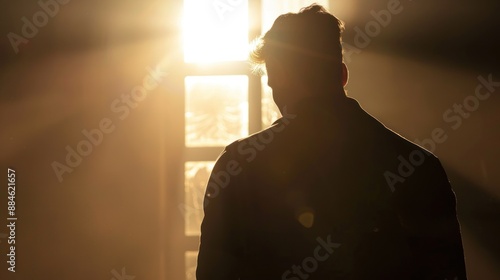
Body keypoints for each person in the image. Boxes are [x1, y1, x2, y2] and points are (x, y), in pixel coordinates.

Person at [196, 4, 468, 280]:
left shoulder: (238, 167)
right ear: (342, 74)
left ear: (277, 76)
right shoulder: (419, 168)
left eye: (271, 80)